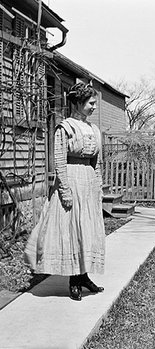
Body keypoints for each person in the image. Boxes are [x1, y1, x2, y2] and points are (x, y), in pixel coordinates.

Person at [24, 82, 105, 301]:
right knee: (72, 229)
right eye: (91, 103)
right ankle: (74, 281)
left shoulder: (93, 129)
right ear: (78, 103)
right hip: (70, 180)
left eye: (94, 103)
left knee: (88, 229)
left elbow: (97, 162)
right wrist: (65, 190)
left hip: (88, 183)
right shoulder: (65, 127)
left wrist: (98, 186)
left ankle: (84, 276)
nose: (94, 107)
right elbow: (59, 159)